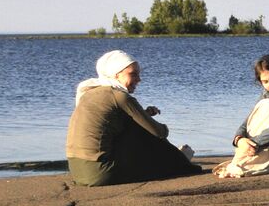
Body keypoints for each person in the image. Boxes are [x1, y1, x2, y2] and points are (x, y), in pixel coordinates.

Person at [65, 50, 201, 186]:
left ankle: (176, 160)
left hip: (78, 172)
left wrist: (143, 115)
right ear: (116, 74)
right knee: (143, 131)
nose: (139, 79)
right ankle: (180, 162)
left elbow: (111, 121)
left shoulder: (89, 93)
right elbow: (159, 132)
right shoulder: (120, 96)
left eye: (139, 74)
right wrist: (161, 126)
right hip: (101, 174)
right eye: (133, 74)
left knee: (135, 126)